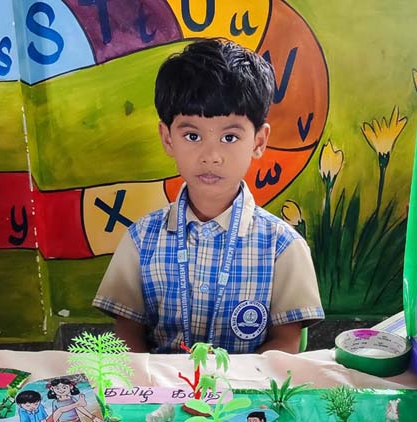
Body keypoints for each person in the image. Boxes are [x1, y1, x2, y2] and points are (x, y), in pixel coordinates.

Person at [93, 38, 324, 355]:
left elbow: (286, 342)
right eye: (192, 135)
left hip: (247, 386)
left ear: (258, 141)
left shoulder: (283, 247)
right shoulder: (141, 239)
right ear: (167, 138)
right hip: (159, 386)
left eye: (230, 137)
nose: (211, 156)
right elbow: (126, 334)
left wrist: (232, 383)